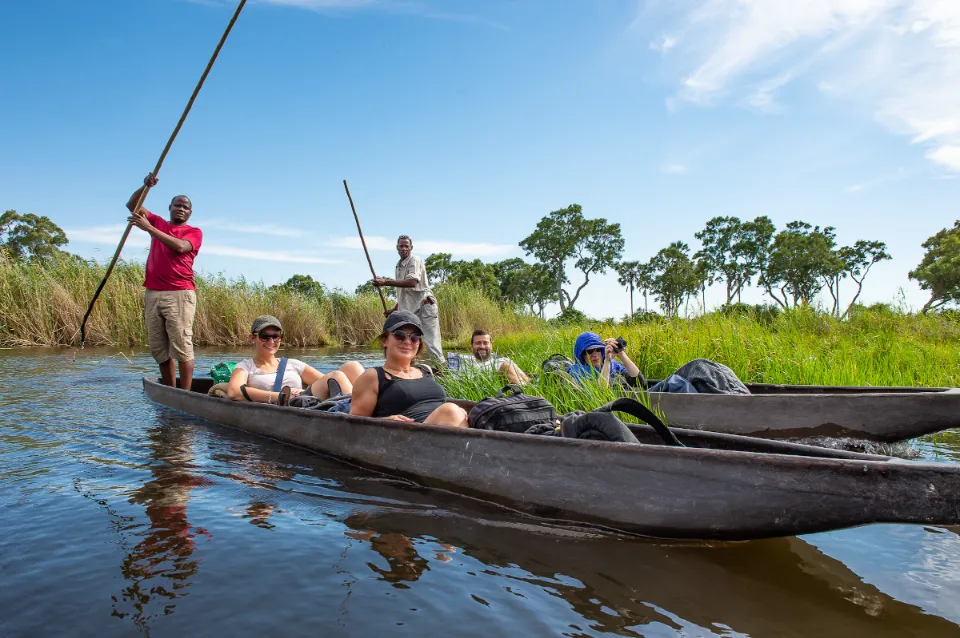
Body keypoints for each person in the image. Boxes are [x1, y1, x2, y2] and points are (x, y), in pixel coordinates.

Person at [127, 174, 202, 390]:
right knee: (159, 348)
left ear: (189, 213)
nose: (181, 208)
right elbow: (133, 205)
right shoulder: (160, 222)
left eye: (185, 207)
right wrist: (145, 186)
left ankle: (185, 394)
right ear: (170, 207)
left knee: (182, 345)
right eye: (177, 205)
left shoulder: (193, 232)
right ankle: (170, 391)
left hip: (179, 293)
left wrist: (149, 229)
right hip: (153, 293)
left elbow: (180, 247)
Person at [350, 311, 467, 427]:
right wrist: (384, 421)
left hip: (445, 428)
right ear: (384, 341)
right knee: (450, 411)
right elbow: (353, 426)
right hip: (406, 438)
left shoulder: (425, 370)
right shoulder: (373, 376)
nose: (407, 342)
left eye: (414, 337)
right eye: (399, 335)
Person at [226, 315, 364, 404]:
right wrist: (280, 396)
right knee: (337, 375)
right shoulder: (245, 366)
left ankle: (370, 408)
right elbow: (234, 392)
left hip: (305, 399)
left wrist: (301, 391)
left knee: (352, 366)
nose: (271, 341)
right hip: (290, 405)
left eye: (276, 336)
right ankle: (356, 415)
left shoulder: (292, 364)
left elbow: (326, 381)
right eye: (264, 336)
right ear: (252, 338)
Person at [371, 235, 443, 365]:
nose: (404, 248)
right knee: (408, 341)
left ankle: (443, 373)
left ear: (411, 248)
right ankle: (409, 372)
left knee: (431, 343)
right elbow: (406, 294)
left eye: (406, 246)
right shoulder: (399, 266)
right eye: (401, 246)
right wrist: (394, 310)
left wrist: (384, 282)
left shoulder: (414, 260)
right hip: (412, 309)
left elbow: (412, 282)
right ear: (397, 248)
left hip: (425, 306)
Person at [566, 331, 641, 388]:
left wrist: (621, 354)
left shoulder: (614, 365)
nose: (595, 354)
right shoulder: (577, 371)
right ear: (581, 355)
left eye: (598, 350)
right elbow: (601, 392)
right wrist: (607, 361)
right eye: (589, 351)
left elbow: (639, 382)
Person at [459, 329, 529, 385]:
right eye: (478, 343)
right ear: (471, 346)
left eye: (485, 343)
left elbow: (526, 380)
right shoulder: (466, 365)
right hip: (495, 395)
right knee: (506, 366)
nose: (482, 346)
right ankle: (524, 396)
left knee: (506, 364)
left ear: (491, 345)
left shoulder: (504, 360)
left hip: (515, 390)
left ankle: (525, 394)